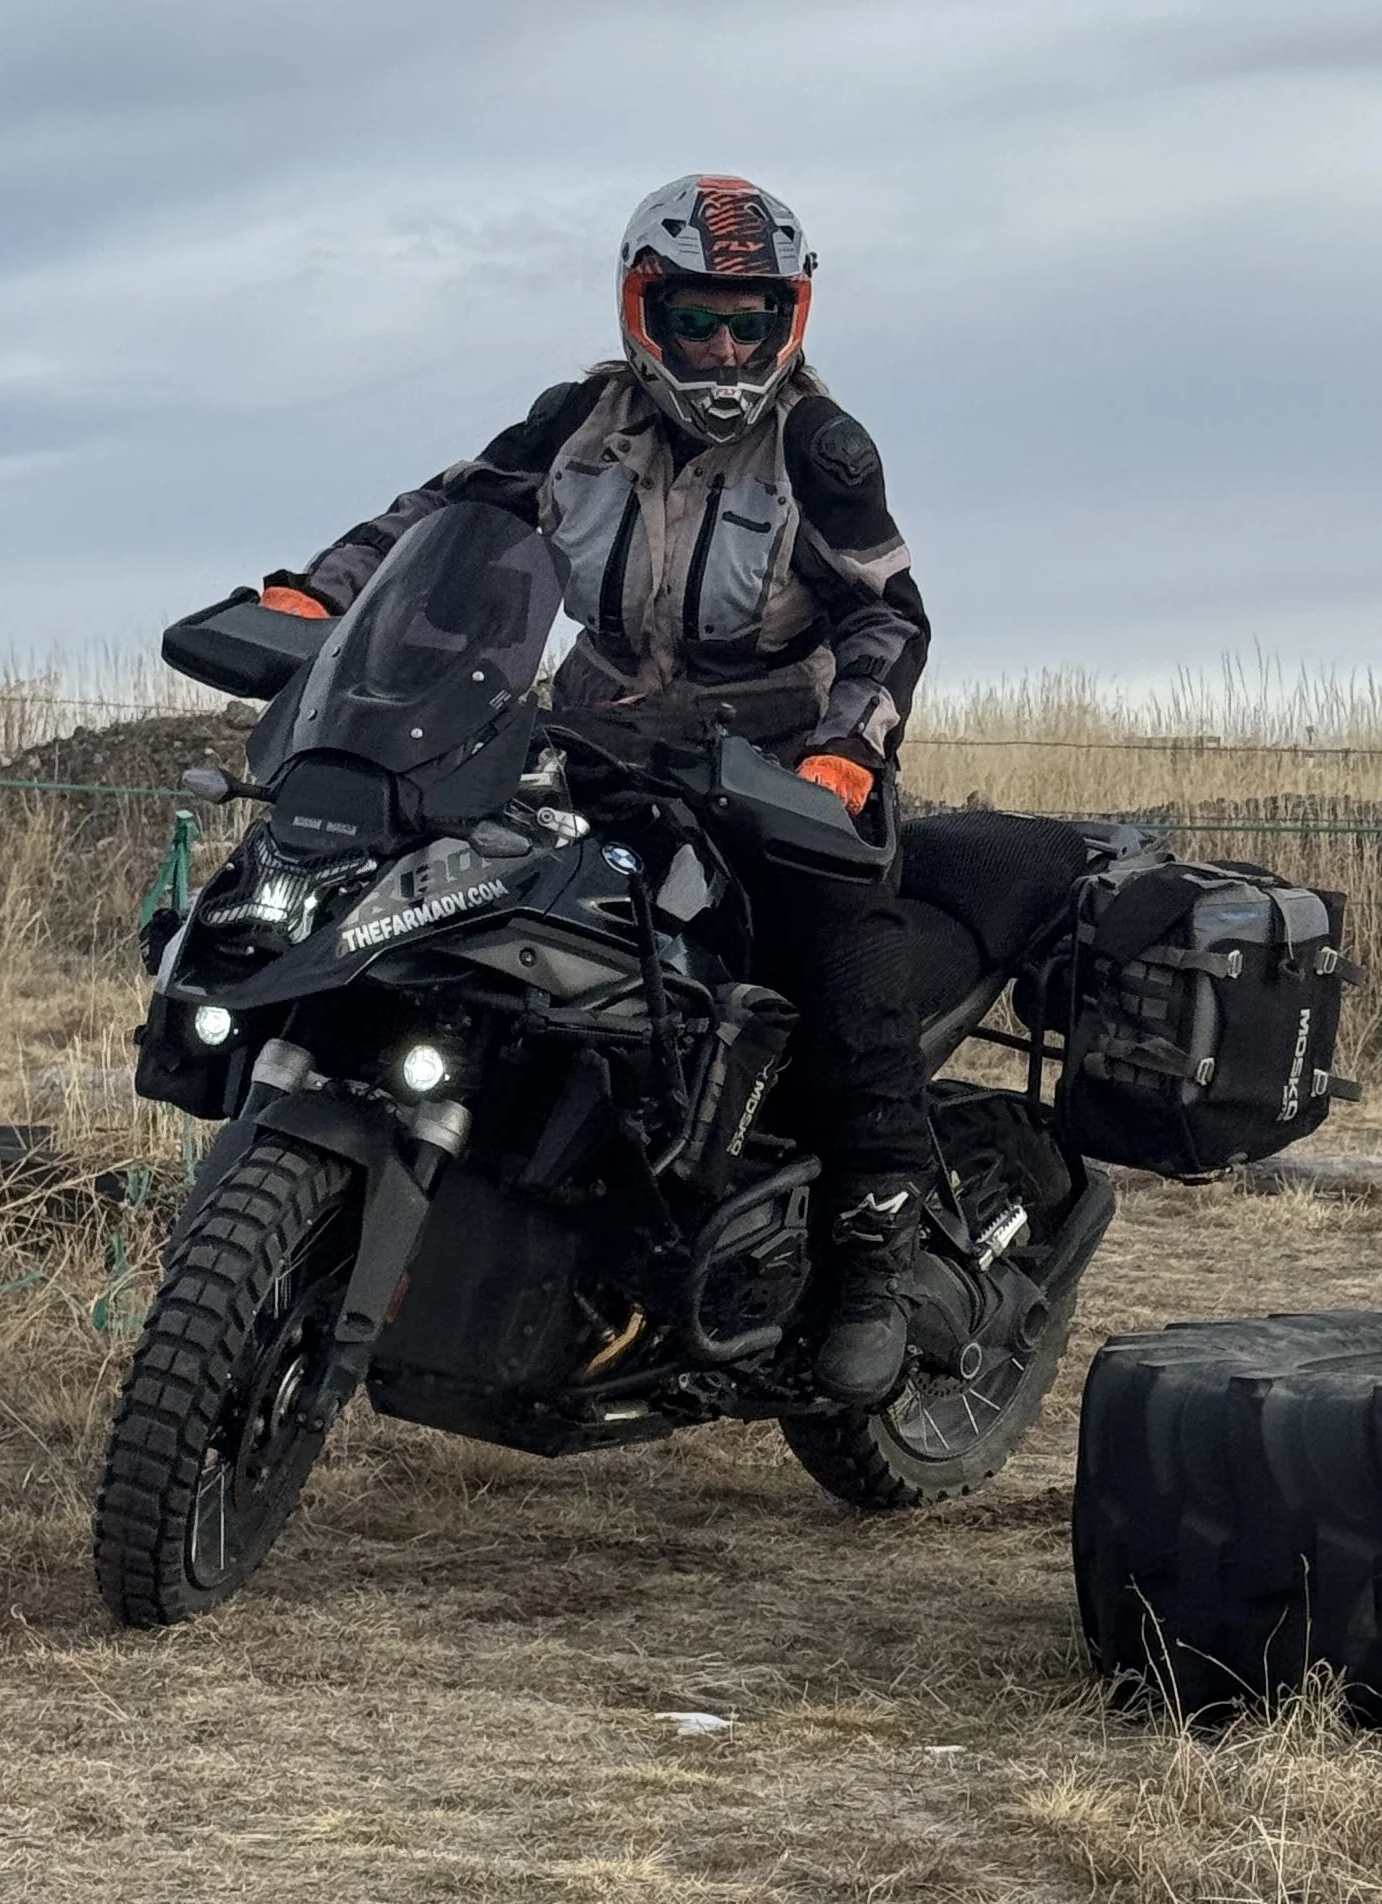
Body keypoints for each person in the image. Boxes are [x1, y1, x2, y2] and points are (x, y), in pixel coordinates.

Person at [258, 175, 932, 1405]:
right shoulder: (579, 421)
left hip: (774, 757)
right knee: (467, 900)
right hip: (598, 732)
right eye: (698, 321)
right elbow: (443, 519)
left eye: (752, 320)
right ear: (643, 310)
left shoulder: (820, 451)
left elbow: (887, 617)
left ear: (791, 318)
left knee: (837, 956)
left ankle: (873, 1245)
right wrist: (319, 591)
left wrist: (845, 749)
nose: (726, 348)